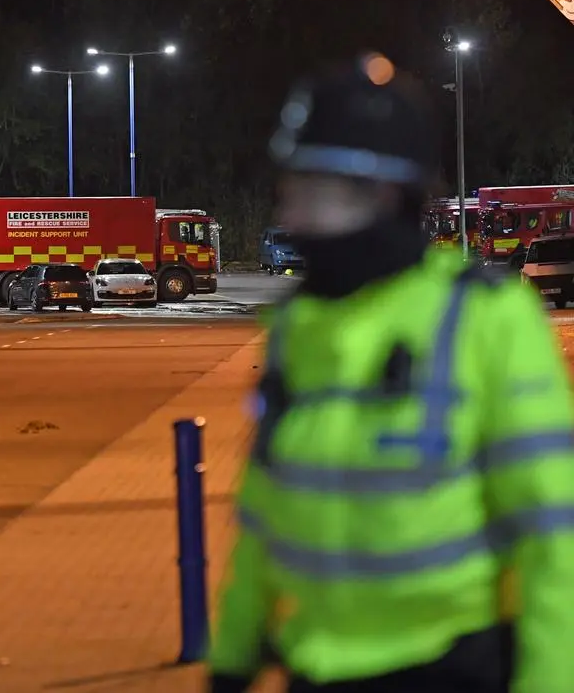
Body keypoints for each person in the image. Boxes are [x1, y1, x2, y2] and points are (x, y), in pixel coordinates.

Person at [206, 53, 574, 693]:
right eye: (290, 191)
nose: (293, 218)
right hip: (316, 669)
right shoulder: (299, 327)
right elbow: (266, 506)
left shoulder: (486, 319)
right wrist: (233, 654)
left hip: (448, 670)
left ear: (379, 194)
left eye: (311, 193)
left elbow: (554, 534)